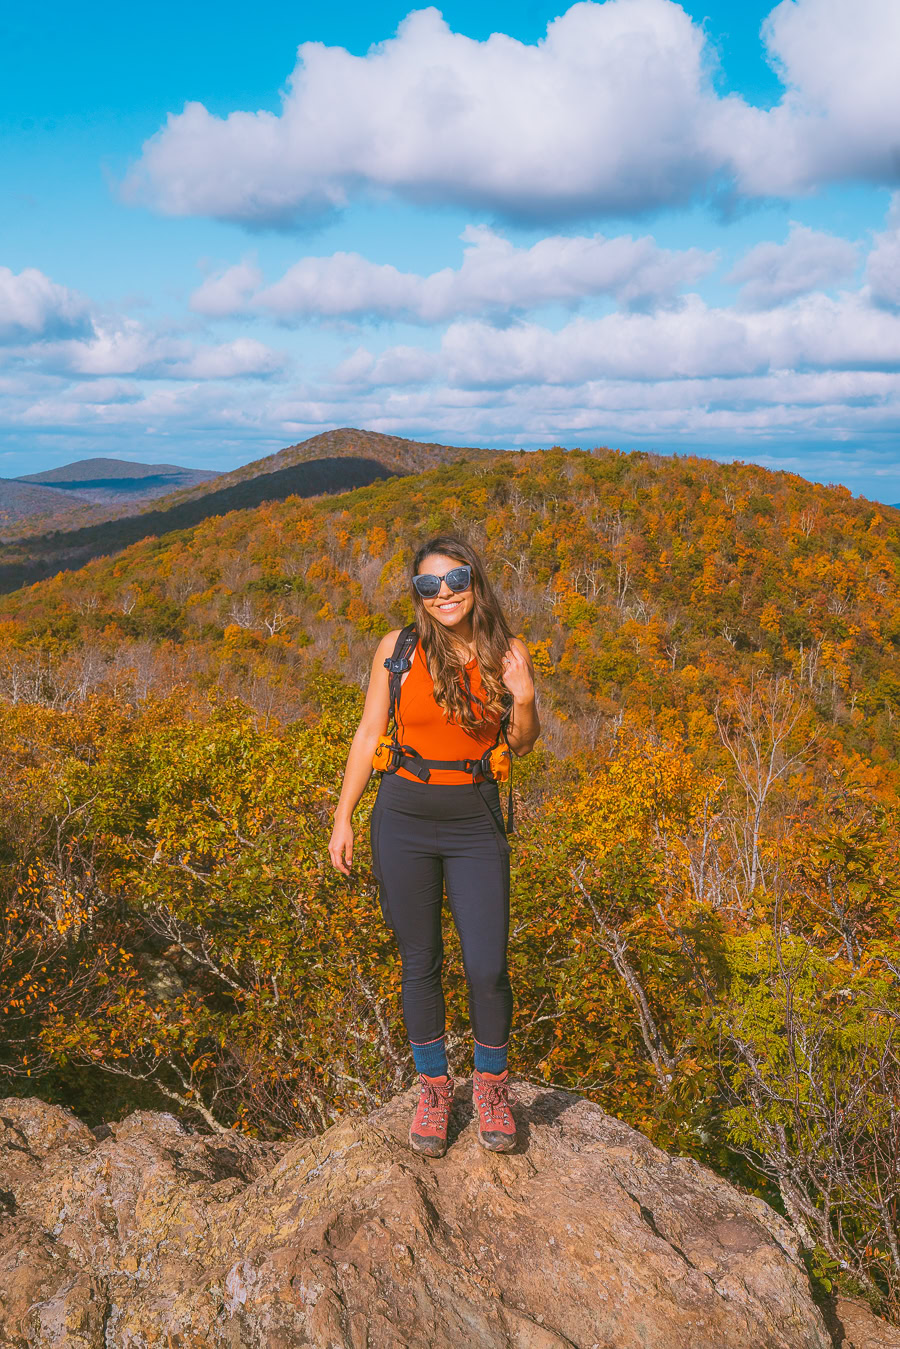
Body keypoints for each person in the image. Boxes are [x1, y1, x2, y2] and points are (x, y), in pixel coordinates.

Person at [329, 534, 540, 1156]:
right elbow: (369, 734)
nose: (444, 593)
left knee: (486, 964)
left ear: (475, 581)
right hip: (402, 816)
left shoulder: (508, 652)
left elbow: (523, 742)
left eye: (455, 579)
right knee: (419, 960)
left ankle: (492, 1088)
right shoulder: (396, 650)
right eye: (429, 584)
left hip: (475, 818)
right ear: (417, 594)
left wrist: (523, 698)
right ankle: (432, 1088)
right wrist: (343, 817)